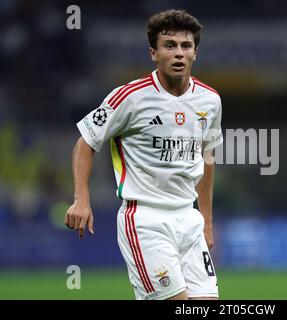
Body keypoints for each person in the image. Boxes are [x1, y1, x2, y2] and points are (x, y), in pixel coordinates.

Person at [64, 9, 223, 300]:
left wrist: (207, 222)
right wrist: (81, 199)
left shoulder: (210, 101)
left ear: (195, 53)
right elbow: (85, 142)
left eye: (185, 46)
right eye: (169, 46)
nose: (178, 53)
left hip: (189, 220)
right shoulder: (129, 97)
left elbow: (206, 159)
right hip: (145, 219)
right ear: (153, 53)